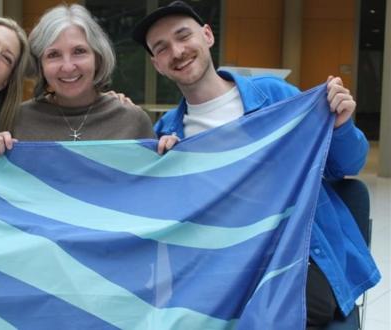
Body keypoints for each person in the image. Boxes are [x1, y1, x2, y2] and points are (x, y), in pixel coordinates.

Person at [131, 1, 380, 329]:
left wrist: (341, 126)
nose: (176, 51)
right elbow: (171, 228)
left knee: (295, 308)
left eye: (183, 36)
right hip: (227, 263)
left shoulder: (275, 96)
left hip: (296, 256)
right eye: (162, 48)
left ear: (207, 35)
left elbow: (344, 166)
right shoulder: (168, 134)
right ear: (156, 64)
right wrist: (173, 178)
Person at [0, 4, 155, 155]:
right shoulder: (17, 119)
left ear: (98, 58)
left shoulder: (132, 120)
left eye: (79, 51)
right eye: (53, 54)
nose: (68, 67)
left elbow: (153, 187)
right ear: (40, 65)